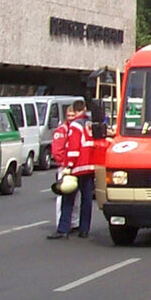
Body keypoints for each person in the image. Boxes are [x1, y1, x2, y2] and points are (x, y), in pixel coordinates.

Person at [52, 99, 95, 239]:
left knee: (68, 197)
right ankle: (84, 230)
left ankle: (63, 229)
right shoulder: (90, 123)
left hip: (77, 167)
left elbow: (73, 148)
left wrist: (69, 166)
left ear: (76, 112)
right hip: (90, 166)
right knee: (87, 200)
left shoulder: (75, 126)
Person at [49, 103, 80, 238]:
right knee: (63, 196)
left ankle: (74, 223)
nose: (71, 117)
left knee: (76, 197)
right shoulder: (62, 131)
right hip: (65, 167)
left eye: (73, 115)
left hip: (76, 167)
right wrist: (64, 165)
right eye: (69, 115)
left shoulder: (77, 128)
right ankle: (61, 224)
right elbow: (57, 151)